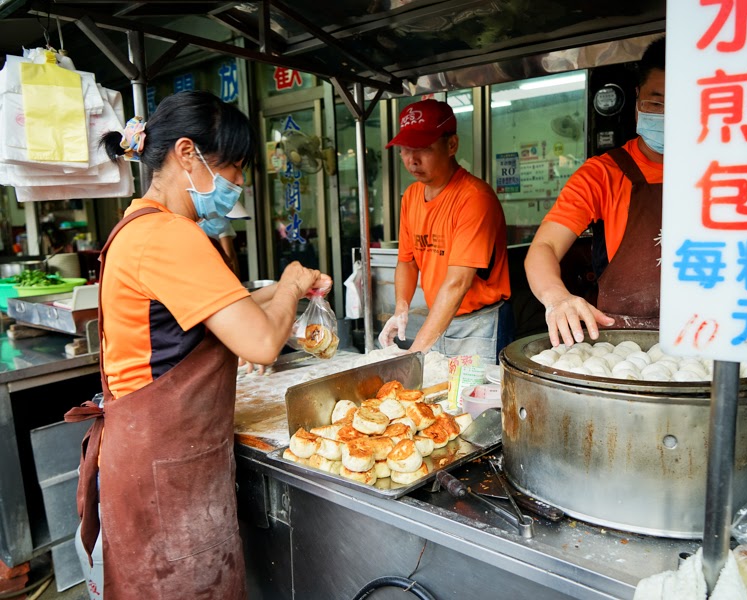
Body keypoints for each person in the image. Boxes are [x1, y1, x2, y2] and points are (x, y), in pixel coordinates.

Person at [65, 90, 331, 599]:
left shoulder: (143, 225)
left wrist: (288, 289)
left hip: (157, 459)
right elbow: (260, 342)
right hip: (164, 471)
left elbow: (228, 309)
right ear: (187, 153)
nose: (239, 183)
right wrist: (290, 285)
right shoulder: (168, 236)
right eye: (234, 167)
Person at [524, 37, 665, 347]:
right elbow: (545, 246)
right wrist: (557, 297)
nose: (667, 116)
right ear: (637, 99)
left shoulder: (721, 172)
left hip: (704, 336)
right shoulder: (602, 174)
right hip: (620, 342)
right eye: (656, 104)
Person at [378, 99, 512, 361]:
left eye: (423, 148)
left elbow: (457, 283)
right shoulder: (411, 197)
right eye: (405, 150)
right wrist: (401, 309)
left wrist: (415, 354)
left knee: (474, 391)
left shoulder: (474, 198)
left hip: (479, 324)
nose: (412, 160)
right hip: (440, 318)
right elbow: (407, 261)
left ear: (451, 145)